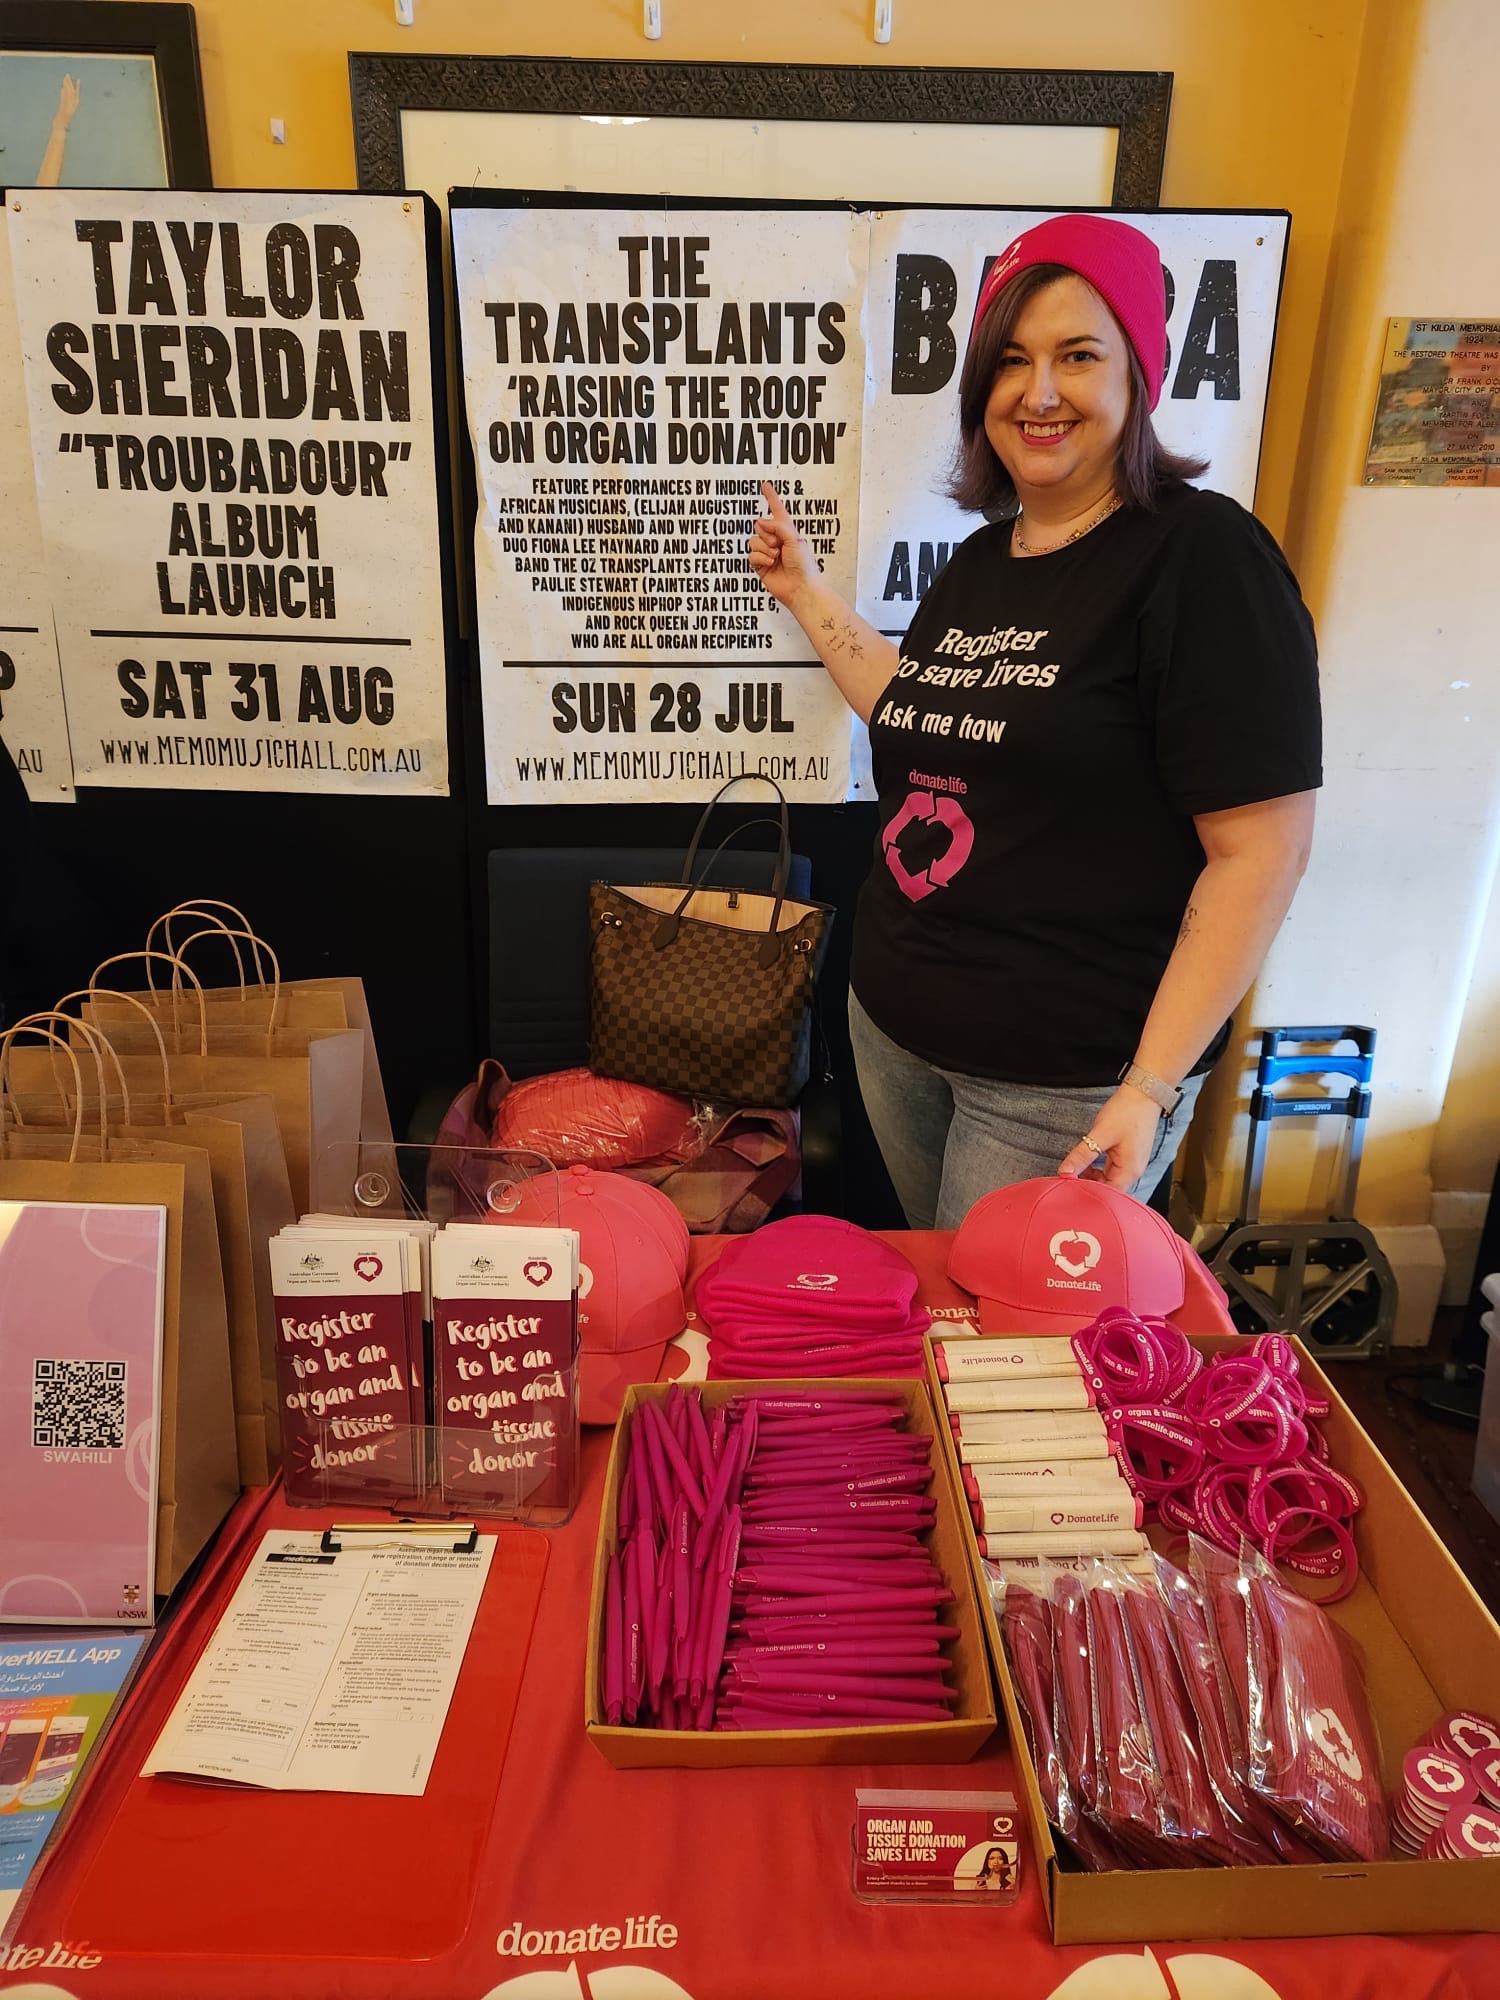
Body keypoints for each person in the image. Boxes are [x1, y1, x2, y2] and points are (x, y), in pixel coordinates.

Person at [748, 212, 1320, 1230]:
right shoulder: (982, 560)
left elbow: (1261, 854)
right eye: (1011, 359)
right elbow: (913, 702)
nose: (1040, 391)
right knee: (956, 1319)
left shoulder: (1204, 560)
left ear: (1138, 374)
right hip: (895, 1029)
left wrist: (1149, 1086)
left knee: (1015, 1356)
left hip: (1061, 1086)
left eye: (1078, 354)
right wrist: (802, 593)